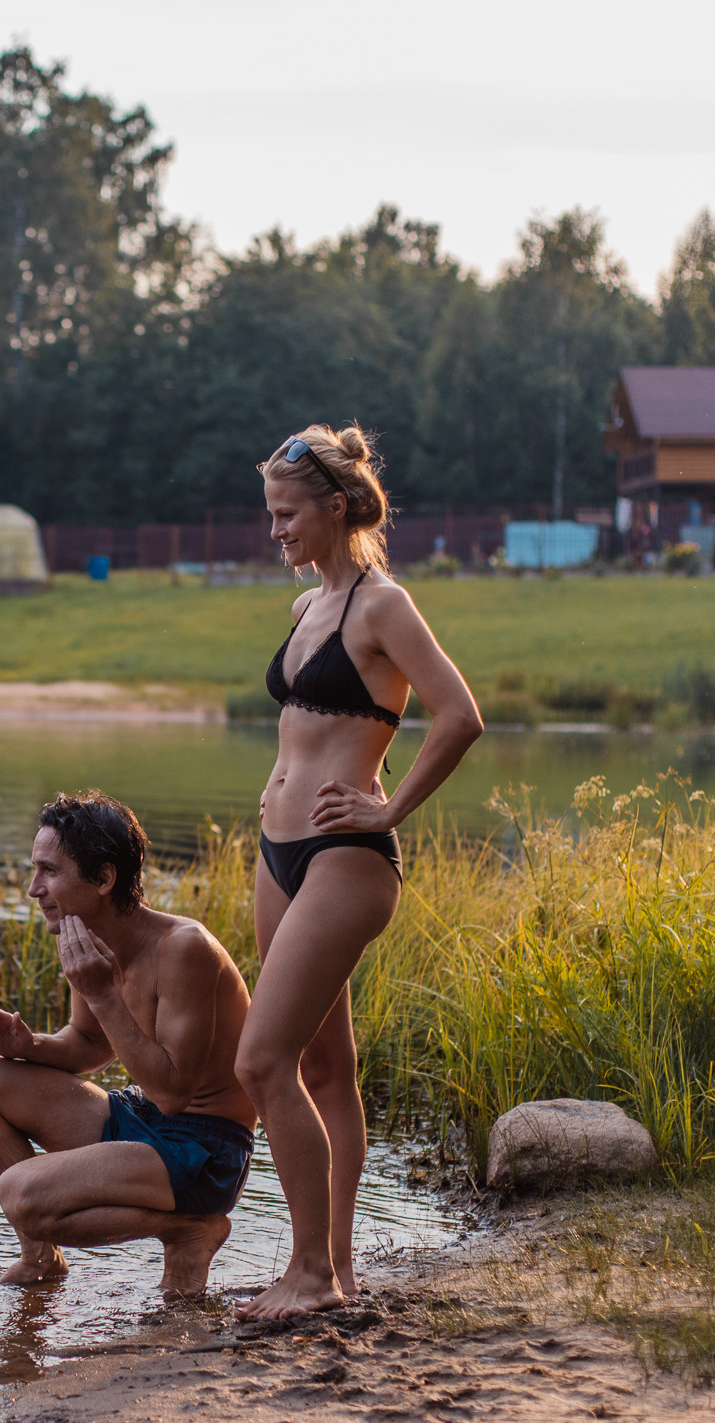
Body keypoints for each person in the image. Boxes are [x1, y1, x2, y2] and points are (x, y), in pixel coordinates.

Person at [237, 424, 482, 1318]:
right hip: (278, 853)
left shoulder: (385, 606)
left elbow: (460, 716)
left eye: (288, 514)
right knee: (325, 1070)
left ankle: (305, 1270)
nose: (277, 532)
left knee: (261, 1061)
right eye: (270, 515)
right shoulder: (306, 610)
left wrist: (387, 807)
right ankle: (333, 1274)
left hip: (346, 856)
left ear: (335, 507)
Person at [0, 792, 256, 1294]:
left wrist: (99, 991)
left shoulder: (184, 949)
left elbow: (173, 1093)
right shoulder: (84, 931)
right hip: (148, 1124)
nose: (35, 889)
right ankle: (41, 1259)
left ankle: (189, 1230)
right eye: (36, 871)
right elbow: (89, 1045)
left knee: (23, 1197)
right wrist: (27, 1045)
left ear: (103, 878)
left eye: (49, 872)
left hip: (205, 1150)